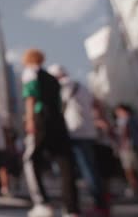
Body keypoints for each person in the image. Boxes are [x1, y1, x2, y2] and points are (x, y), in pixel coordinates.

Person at [20, 49, 79, 217]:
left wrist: (30, 120)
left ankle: (42, 203)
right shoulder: (52, 78)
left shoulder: (30, 73)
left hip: (41, 119)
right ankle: (71, 208)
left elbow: (30, 97)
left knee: (31, 160)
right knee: (65, 162)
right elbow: (60, 103)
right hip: (58, 120)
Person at [48, 64, 109, 216]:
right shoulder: (81, 86)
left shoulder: (62, 85)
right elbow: (97, 104)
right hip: (88, 131)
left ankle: (99, 203)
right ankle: (100, 200)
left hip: (74, 132)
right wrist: (100, 120)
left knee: (79, 169)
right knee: (90, 167)